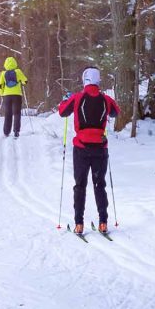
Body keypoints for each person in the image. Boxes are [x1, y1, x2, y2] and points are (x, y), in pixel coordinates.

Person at [58, 66, 120, 235]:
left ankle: (79, 224)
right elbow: (116, 112)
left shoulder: (77, 98)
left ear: (84, 80)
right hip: (100, 149)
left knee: (80, 185)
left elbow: (62, 112)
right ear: (98, 81)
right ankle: (103, 223)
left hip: (81, 149)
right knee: (100, 185)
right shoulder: (106, 99)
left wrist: (66, 99)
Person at [0, 56, 28, 138]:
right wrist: (22, 82)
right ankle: (16, 131)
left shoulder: (3, 73)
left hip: (7, 96)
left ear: (5, 64)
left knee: (8, 113)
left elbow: (0, 85)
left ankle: (6, 132)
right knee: (17, 113)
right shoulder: (18, 71)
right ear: (15, 63)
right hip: (17, 95)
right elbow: (25, 81)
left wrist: (1, 94)